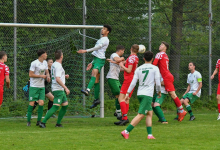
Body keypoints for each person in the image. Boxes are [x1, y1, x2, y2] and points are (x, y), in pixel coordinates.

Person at [121, 51, 161, 139]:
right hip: (147, 94)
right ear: (152, 59)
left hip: (140, 93)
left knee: (149, 113)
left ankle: (149, 135)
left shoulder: (139, 69)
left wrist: (127, 93)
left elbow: (133, 82)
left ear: (143, 59)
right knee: (141, 115)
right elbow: (157, 82)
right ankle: (126, 131)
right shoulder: (155, 68)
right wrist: (159, 91)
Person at [77, 25, 112, 109]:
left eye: (104, 29)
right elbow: (98, 52)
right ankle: (96, 99)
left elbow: (98, 47)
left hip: (100, 60)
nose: (102, 30)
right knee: (96, 80)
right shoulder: (101, 39)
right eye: (102, 29)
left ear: (107, 32)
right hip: (97, 59)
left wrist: (85, 50)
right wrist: (92, 62)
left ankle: (87, 90)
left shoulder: (105, 39)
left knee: (93, 73)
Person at [152, 41, 187, 122]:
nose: (160, 46)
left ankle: (181, 111)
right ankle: (180, 111)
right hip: (168, 76)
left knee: (173, 94)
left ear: (165, 48)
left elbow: (154, 64)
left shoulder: (159, 54)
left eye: (162, 45)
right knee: (172, 95)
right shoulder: (165, 55)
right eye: (160, 44)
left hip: (166, 77)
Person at [40, 50, 70, 128]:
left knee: (65, 105)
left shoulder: (54, 64)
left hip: (58, 88)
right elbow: (57, 79)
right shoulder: (58, 65)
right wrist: (66, 88)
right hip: (58, 89)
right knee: (56, 106)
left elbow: (56, 75)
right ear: (61, 56)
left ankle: (58, 123)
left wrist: (64, 76)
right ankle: (43, 122)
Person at [114, 44, 139, 126]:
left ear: (131, 49)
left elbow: (129, 70)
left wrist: (122, 66)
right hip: (132, 79)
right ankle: (124, 118)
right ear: (138, 51)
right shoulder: (136, 58)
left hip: (128, 80)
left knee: (120, 99)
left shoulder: (131, 58)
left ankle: (124, 118)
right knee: (126, 99)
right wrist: (116, 63)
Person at [27, 49, 50, 126]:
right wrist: (41, 76)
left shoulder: (45, 63)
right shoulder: (34, 63)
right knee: (32, 103)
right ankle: (28, 121)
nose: (47, 55)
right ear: (42, 55)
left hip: (41, 87)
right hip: (34, 86)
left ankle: (38, 121)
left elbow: (47, 71)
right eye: (46, 54)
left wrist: (48, 76)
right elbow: (30, 75)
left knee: (41, 103)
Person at [106, 45, 125, 120]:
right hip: (111, 78)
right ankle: (118, 112)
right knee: (119, 95)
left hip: (116, 79)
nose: (123, 53)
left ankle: (117, 111)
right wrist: (123, 59)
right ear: (121, 50)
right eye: (123, 51)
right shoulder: (114, 55)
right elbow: (118, 60)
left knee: (121, 95)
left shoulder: (117, 57)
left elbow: (119, 68)